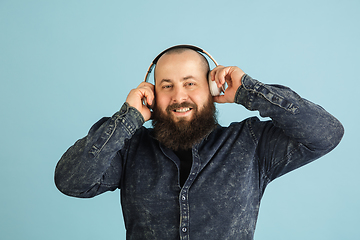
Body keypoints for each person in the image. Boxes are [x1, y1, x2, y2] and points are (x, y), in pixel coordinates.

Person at [54, 45, 344, 240]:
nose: (179, 97)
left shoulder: (251, 143)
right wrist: (128, 118)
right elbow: (71, 181)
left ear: (212, 89)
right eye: (167, 86)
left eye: (190, 83)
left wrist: (247, 90)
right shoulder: (128, 146)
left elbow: (326, 133)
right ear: (152, 94)